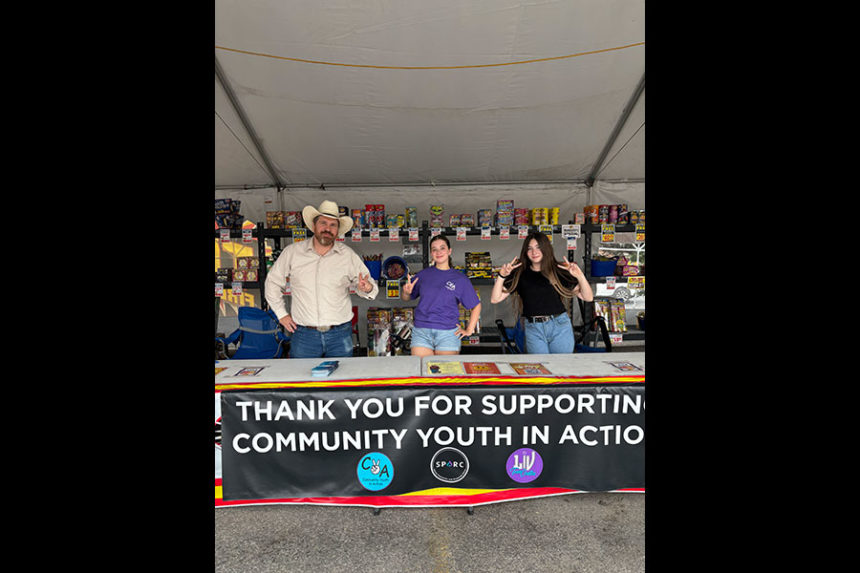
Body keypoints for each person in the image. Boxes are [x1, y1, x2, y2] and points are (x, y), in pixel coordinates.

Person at [265, 200, 379, 358]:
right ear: (314, 226)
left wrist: (367, 288)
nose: (327, 228)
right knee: (303, 380)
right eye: (323, 223)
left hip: (340, 334)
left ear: (338, 230)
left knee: (340, 381)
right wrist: (281, 314)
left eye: (333, 225)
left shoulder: (348, 255)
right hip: (304, 334)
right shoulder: (292, 252)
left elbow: (368, 285)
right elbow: (272, 282)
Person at [490, 231, 593, 354]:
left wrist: (580, 276)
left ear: (546, 249)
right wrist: (501, 276)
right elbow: (495, 299)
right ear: (525, 252)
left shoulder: (559, 271)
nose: (534, 252)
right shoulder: (519, 273)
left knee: (562, 367)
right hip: (533, 328)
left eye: (538, 247)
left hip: (559, 325)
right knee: (540, 367)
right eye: (530, 249)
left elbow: (588, 297)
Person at [401, 234, 481, 356]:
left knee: (445, 372)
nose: (438, 252)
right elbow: (406, 299)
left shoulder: (460, 279)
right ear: (431, 253)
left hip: (448, 333)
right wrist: (406, 293)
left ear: (449, 251)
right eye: (434, 249)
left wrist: (469, 330)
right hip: (421, 332)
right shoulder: (423, 275)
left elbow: (476, 305)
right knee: (422, 371)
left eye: (442, 248)